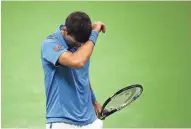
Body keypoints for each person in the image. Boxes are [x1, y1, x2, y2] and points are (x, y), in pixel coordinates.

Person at [41, 11, 106, 129]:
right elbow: (77, 62)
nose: (78, 47)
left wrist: (94, 101)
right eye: (75, 43)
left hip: (89, 120)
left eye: (81, 44)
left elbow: (83, 74)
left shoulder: (84, 41)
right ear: (65, 30)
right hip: (62, 121)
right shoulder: (49, 44)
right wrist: (94, 34)